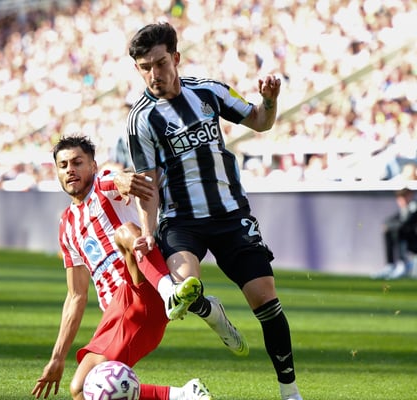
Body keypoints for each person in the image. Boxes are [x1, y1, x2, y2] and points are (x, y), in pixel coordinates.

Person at [125, 22, 303, 400]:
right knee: (184, 288)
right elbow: (147, 182)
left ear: (175, 58)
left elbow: (260, 121)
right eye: (145, 67)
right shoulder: (141, 119)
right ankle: (211, 312)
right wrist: (147, 231)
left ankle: (290, 391)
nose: (154, 74)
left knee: (265, 297)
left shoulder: (209, 91)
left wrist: (270, 101)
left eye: (160, 63)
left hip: (230, 215)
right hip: (181, 220)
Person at [32, 135, 212, 400]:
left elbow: (119, 179)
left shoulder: (103, 185)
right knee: (81, 390)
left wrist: (125, 179)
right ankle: (182, 395)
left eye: (77, 162)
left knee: (125, 232)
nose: (70, 169)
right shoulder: (66, 225)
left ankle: (169, 291)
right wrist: (57, 358)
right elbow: (76, 296)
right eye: (63, 165)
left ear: (93, 166)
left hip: (141, 288)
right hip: (118, 311)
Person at [373, 187, 417, 280]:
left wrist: (392, 226)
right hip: (409, 241)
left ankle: (403, 264)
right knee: (388, 231)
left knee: (399, 230)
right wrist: (388, 227)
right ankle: (390, 265)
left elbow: (406, 223)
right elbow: (388, 222)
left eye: (404, 196)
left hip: (414, 243)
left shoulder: (414, 207)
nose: (402, 200)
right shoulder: (404, 210)